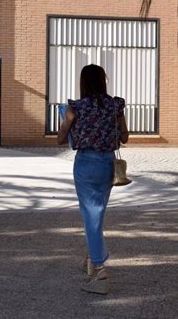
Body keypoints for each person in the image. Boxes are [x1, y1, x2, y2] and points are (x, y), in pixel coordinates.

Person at [57, 64, 129, 295]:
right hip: (108, 164)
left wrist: (69, 124)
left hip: (86, 163)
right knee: (97, 212)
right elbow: (125, 136)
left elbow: (60, 139)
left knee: (91, 214)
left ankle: (99, 268)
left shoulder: (75, 107)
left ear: (83, 82)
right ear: (103, 81)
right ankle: (91, 260)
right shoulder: (115, 105)